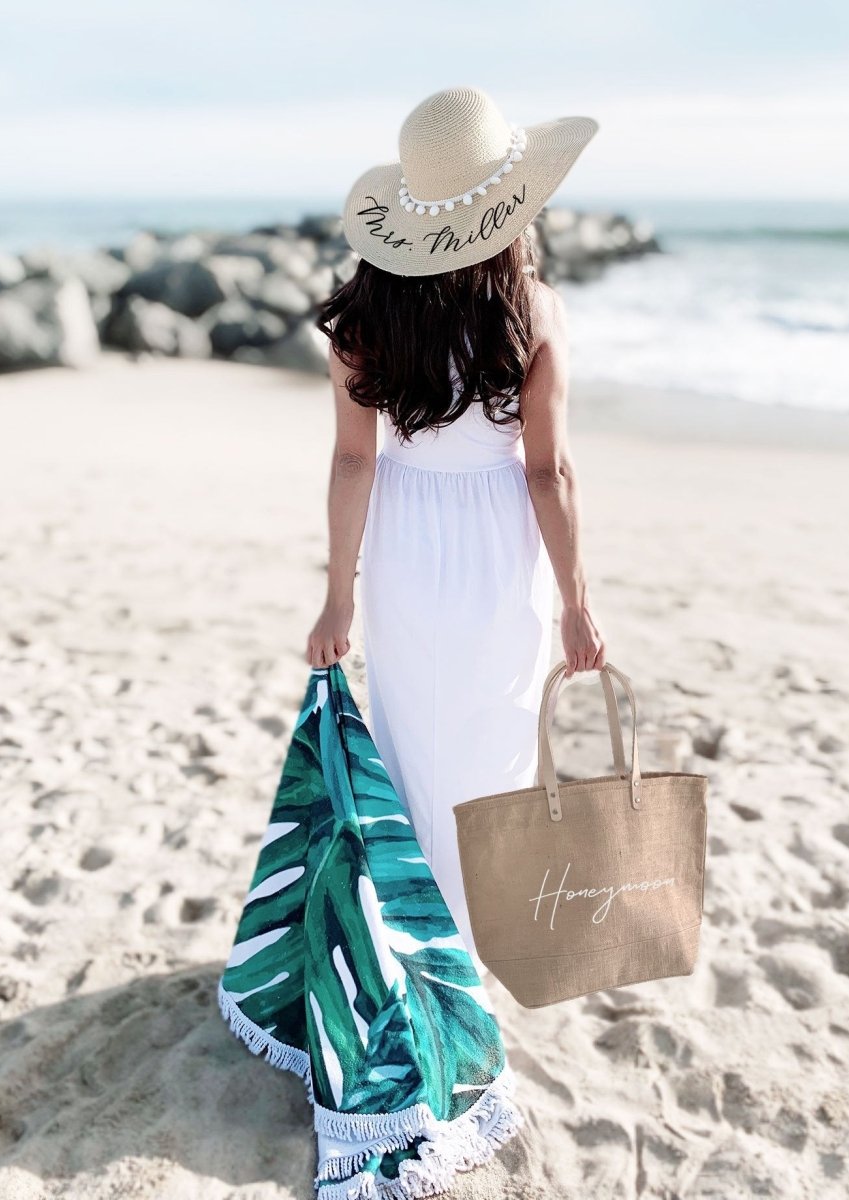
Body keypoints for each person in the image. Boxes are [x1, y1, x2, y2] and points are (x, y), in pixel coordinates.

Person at [307, 85, 606, 976]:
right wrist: (577, 605)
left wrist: (336, 598)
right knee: (492, 733)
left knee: (409, 732)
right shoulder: (534, 309)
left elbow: (353, 461)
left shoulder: (365, 315)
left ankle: (407, 933)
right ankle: (468, 945)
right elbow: (548, 472)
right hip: (498, 538)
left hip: (402, 533)